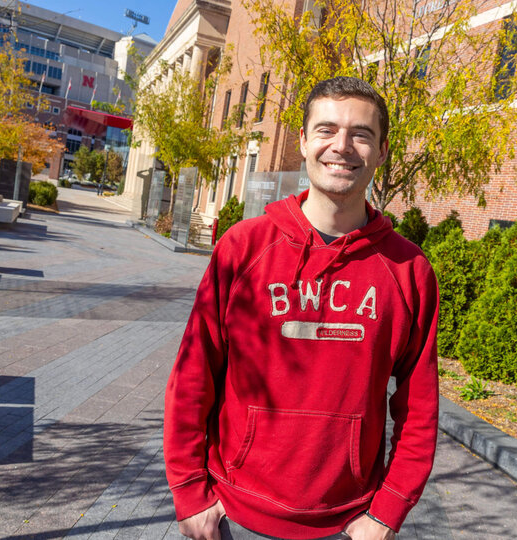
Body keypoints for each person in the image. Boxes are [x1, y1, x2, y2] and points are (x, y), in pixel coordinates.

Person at [163, 76, 439, 540]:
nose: (343, 146)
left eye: (361, 134)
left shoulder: (408, 270)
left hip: (350, 523)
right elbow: (194, 375)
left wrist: (388, 511)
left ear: (383, 150)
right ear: (304, 141)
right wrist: (190, 492)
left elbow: (419, 407)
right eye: (327, 129)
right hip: (236, 514)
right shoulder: (244, 247)